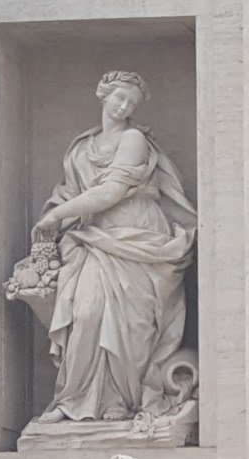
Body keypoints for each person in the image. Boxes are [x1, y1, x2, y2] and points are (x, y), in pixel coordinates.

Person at [23, 71, 195, 426]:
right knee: (86, 314)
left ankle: (121, 400)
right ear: (103, 95)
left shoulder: (134, 139)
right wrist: (58, 216)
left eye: (132, 103)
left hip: (137, 237)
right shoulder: (81, 148)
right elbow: (72, 192)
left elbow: (111, 192)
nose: (124, 107)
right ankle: (73, 398)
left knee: (131, 324)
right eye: (120, 97)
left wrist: (56, 216)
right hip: (93, 238)